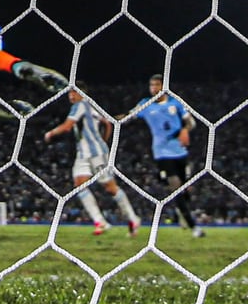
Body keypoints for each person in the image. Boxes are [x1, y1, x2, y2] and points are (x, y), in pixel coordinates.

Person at [43, 85, 140, 235]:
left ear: (82, 93)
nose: (71, 96)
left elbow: (67, 127)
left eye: (74, 92)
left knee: (110, 187)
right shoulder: (92, 106)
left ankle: (133, 218)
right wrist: (103, 141)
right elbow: (107, 124)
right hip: (84, 153)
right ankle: (100, 222)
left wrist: (50, 133)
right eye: (70, 93)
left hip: (96, 154)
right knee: (79, 184)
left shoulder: (80, 105)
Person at [126, 74, 201, 236]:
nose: (153, 88)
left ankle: (182, 211)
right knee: (176, 187)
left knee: (185, 189)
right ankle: (193, 226)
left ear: (164, 87)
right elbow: (126, 117)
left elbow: (191, 122)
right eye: (151, 85)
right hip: (162, 154)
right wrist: (108, 118)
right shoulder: (145, 104)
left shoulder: (176, 103)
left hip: (180, 151)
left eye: (157, 85)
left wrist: (184, 130)